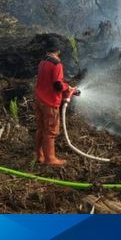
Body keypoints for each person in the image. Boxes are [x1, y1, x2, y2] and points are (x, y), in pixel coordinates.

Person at [33, 37, 77, 167]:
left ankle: (39, 155)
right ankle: (50, 159)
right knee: (51, 131)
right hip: (49, 103)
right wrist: (67, 88)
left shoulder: (43, 61)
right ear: (58, 50)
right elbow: (57, 85)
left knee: (41, 129)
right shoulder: (56, 64)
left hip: (39, 99)